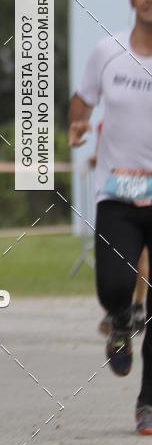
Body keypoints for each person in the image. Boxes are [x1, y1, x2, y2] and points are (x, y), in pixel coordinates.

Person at [69, 0, 152, 434]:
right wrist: (77, 125)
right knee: (114, 286)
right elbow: (82, 102)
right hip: (118, 194)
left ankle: (148, 403)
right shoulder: (108, 53)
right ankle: (121, 319)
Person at [90, 123, 149, 335]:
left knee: (140, 255)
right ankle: (117, 309)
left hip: (145, 190)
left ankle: (139, 306)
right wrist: (95, 159)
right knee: (113, 255)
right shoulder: (103, 126)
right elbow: (99, 155)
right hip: (118, 194)